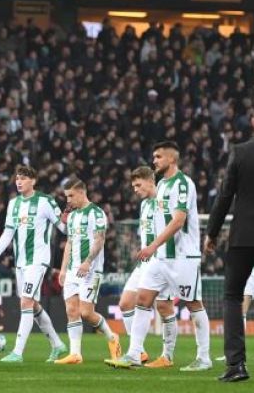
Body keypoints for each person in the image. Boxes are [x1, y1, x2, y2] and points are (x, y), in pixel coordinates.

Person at [107, 141, 211, 371]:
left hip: (183, 257)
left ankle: (204, 358)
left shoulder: (183, 184)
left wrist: (152, 245)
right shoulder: (162, 185)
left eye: (158, 157)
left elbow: (178, 220)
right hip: (159, 259)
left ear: (171, 159)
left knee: (194, 304)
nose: (154, 160)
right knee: (143, 300)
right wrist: (153, 249)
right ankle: (134, 354)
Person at [205, 100, 254, 382]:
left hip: (242, 236)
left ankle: (236, 365)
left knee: (232, 296)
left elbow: (224, 196)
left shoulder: (240, 152)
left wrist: (211, 232)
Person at [0, 165, 67, 363]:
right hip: (20, 263)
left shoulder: (46, 201)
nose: (19, 182)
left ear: (33, 180)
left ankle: (17, 352)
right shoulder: (13, 204)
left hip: (38, 261)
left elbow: (63, 228)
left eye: (23, 178)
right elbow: (8, 232)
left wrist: (68, 217)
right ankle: (57, 344)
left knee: (26, 302)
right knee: (33, 305)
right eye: (17, 178)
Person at [115, 166, 177, 368]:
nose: (135, 189)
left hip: (164, 260)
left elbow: (175, 225)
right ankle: (138, 351)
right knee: (125, 303)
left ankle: (167, 356)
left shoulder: (165, 199)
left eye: (138, 185)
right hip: (145, 261)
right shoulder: (144, 205)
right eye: (133, 186)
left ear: (151, 181)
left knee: (164, 307)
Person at [55, 177, 121, 365]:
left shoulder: (97, 213)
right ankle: (76, 354)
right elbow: (69, 243)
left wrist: (87, 261)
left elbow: (100, 239)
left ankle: (112, 337)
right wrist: (63, 269)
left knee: (86, 313)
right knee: (71, 310)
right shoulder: (73, 216)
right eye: (66, 196)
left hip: (91, 270)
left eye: (71, 196)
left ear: (82, 192)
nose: (68, 200)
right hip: (72, 270)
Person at [216, 262, 254, 363]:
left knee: (241, 313)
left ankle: (234, 353)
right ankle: (233, 352)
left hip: (253, 273)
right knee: (241, 313)